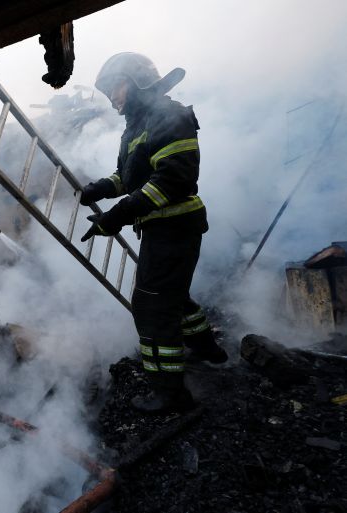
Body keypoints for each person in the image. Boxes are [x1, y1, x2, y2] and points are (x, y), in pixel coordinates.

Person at [78, 52, 227, 414]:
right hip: (164, 228)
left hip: (175, 226)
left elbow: (172, 181)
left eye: (115, 87)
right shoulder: (138, 127)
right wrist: (99, 188)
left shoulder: (170, 116)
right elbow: (130, 178)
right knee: (171, 296)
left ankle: (170, 394)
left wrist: (117, 215)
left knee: (151, 308)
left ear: (136, 80)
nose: (111, 98)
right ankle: (209, 350)